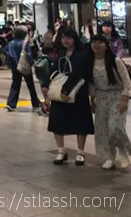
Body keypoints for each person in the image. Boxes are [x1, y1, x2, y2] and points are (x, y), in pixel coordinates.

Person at [43, 29, 94, 166]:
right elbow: (53, 71)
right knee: (57, 120)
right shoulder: (60, 54)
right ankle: (61, 150)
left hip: (78, 92)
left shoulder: (83, 54)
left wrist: (68, 89)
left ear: (75, 39)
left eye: (69, 38)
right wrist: (46, 85)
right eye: (63, 38)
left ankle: (80, 152)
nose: (66, 40)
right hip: (60, 92)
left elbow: (82, 73)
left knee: (80, 121)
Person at [89, 34, 131, 169]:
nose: (96, 45)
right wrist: (93, 99)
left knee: (115, 127)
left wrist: (125, 98)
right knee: (103, 130)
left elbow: (126, 81)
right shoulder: (90, 62)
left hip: (117, 97)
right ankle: (108, 156)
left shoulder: (115, 61)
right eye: (94, 42)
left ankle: (124, 151)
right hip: (100, 98)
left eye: (100, 42)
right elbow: (92, 84)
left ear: (106, 45)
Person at [3, 26, 42, 113]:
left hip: (15, 67)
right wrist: (32, 63)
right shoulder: (25, 43)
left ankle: (11, 103)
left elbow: (4, 51)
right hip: (25, 67)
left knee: (15, 85)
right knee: (31, 86)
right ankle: (35, 103)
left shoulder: (11, 43)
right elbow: (28, 55)